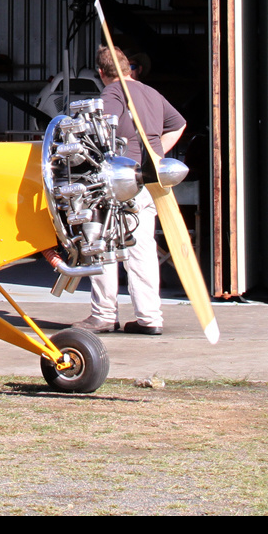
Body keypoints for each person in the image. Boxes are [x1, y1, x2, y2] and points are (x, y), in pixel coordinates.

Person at [78, 45, 186, 336]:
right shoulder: (151, 93)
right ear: (129, 69)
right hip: (149, 182)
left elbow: (105, 133)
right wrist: (156, 155)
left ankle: (103, 314)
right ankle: (150, 316)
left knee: (105, 245)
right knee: (143, 247)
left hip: (122, 183)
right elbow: (179, 124)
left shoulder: (112, 93)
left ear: (102, 73)